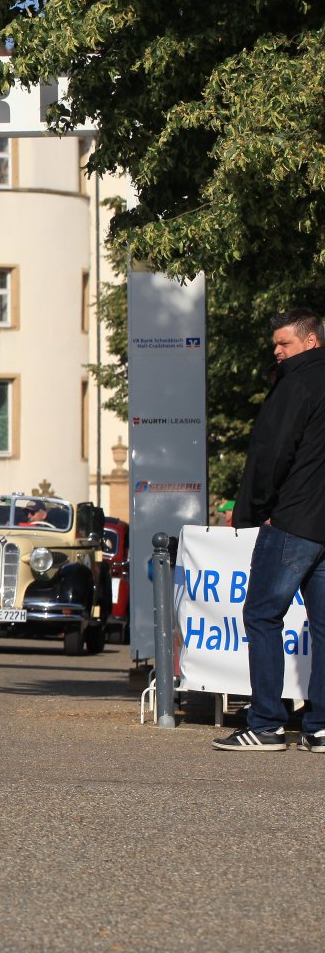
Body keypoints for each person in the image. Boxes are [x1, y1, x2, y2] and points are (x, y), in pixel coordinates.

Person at [215, 309, 325, 751]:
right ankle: (320, 727)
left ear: (310, 341)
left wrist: (259, 508)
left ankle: (265, 725)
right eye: (275, 343)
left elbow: (273, 452)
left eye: (284, 343)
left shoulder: (295, 383)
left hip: (293, 520)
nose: (276, 351)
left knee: (262, 616)